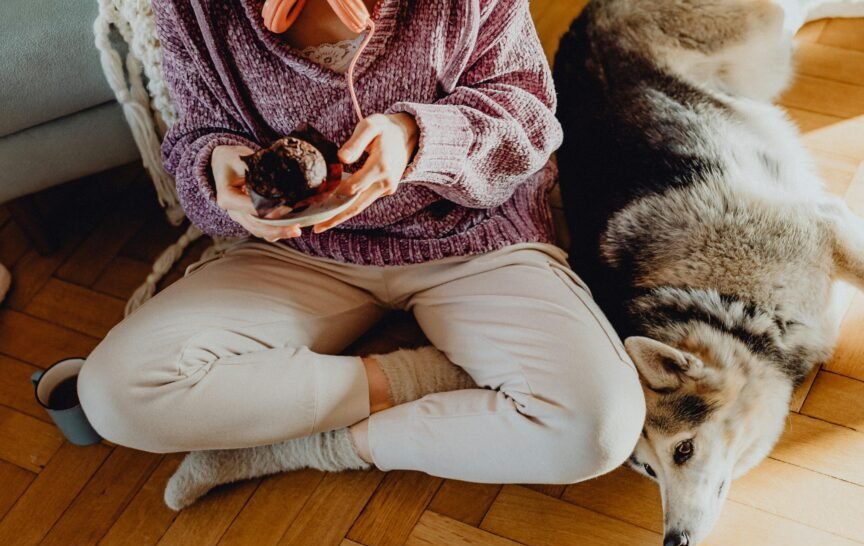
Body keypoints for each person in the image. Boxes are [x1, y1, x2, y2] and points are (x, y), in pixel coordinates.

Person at [79, 0, 644, 509]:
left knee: (596, 429)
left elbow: (527, 119)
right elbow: (193, 137)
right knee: (115, 394)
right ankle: (428, 376)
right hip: (302, 252)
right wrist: (215, 171)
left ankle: (317, 446)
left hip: (473, 239)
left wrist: (418, 140)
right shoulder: (195, 9)